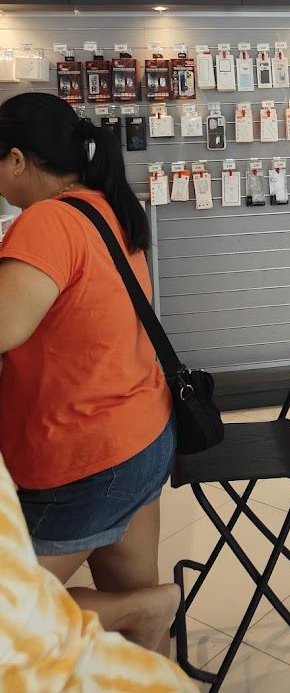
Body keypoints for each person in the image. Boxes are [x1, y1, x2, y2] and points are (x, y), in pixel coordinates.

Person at [0, 92, 177, 653]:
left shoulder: (45, 222)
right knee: (138, 637)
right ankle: (144, 620)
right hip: (141, 435)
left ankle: (142, 607)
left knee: (12, 612)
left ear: (18, 160)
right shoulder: (106, 205)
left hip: (84, 454)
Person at [0, 447, 194, 689]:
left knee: (14, 616)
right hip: (139, 442)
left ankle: (135, 610)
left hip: (84, 452)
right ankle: (140, 612)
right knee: (140, 596)